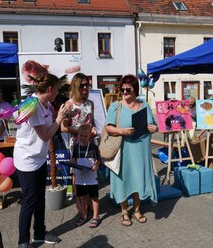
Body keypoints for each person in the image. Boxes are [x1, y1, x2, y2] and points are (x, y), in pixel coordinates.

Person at [13, 73, 69, 248]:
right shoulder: (34, 106)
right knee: (30, 200)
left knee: (40, 198)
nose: (58, 93)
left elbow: (47, 126)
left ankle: (39, 233)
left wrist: (58, 115)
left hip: (38, 159)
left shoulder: (45, 105)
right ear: (50, 89)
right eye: (57, 89)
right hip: (27, 160)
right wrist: (59, 119)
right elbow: (45, 135)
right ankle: (23, 242)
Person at [104, 74, 158, 227]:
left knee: (138, 178)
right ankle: (123, 211)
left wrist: (155, 128)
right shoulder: (116, 106)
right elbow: (108, 127)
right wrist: (122, 131)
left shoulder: (145, 105)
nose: (125, 92)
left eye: (128, 90)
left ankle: (137, 210)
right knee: (123, 178)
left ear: (135, 91)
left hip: (141, 151)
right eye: (123, 90)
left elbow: (154, 125)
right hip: (124, 150)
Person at [61, 72, 97, 214]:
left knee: (89, 173)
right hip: (76, 144)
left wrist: (93, 130)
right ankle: (80, 206)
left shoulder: (90, 103)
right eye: (82, 85)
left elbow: (91, 122)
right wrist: (80, 132)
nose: (85, 88)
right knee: (77, 174)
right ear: (75, 86)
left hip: (90, 143)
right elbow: (63, 127)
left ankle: (88, 205)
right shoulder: (69, 105)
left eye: (87, 85)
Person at [72, 123, 101, 228]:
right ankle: (84, 215)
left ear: (90, 136)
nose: (83, 138)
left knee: (94, 197)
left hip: (91, 176)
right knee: (83, 197)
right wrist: (71, 163)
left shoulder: (93, 147)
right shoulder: (76, 147)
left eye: (85, 136)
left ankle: (95, 216)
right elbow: (74, 159)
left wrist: (95, 166)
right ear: (77, 135)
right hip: (80, 176)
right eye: (81, 135)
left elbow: (98, 160)